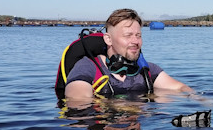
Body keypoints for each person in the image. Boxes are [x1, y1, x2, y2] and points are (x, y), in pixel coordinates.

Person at [64, 8, 192, 100]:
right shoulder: (87, 66)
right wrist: (128, 108)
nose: (135, 41)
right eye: (128, 35)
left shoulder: (147, 69)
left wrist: (204, 102)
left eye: (138, 35)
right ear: (108, 39)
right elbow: (78, 101)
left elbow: (180, 88)